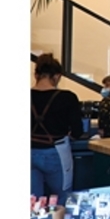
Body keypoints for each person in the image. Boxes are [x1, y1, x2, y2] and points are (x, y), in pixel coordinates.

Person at [31, 53, 84, 202]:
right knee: (62, 198)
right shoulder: (67, 97)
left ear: (36, 75)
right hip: (56, 151)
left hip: (29, 151)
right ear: (57, 76)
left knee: (33, 201)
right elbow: (77, 131)